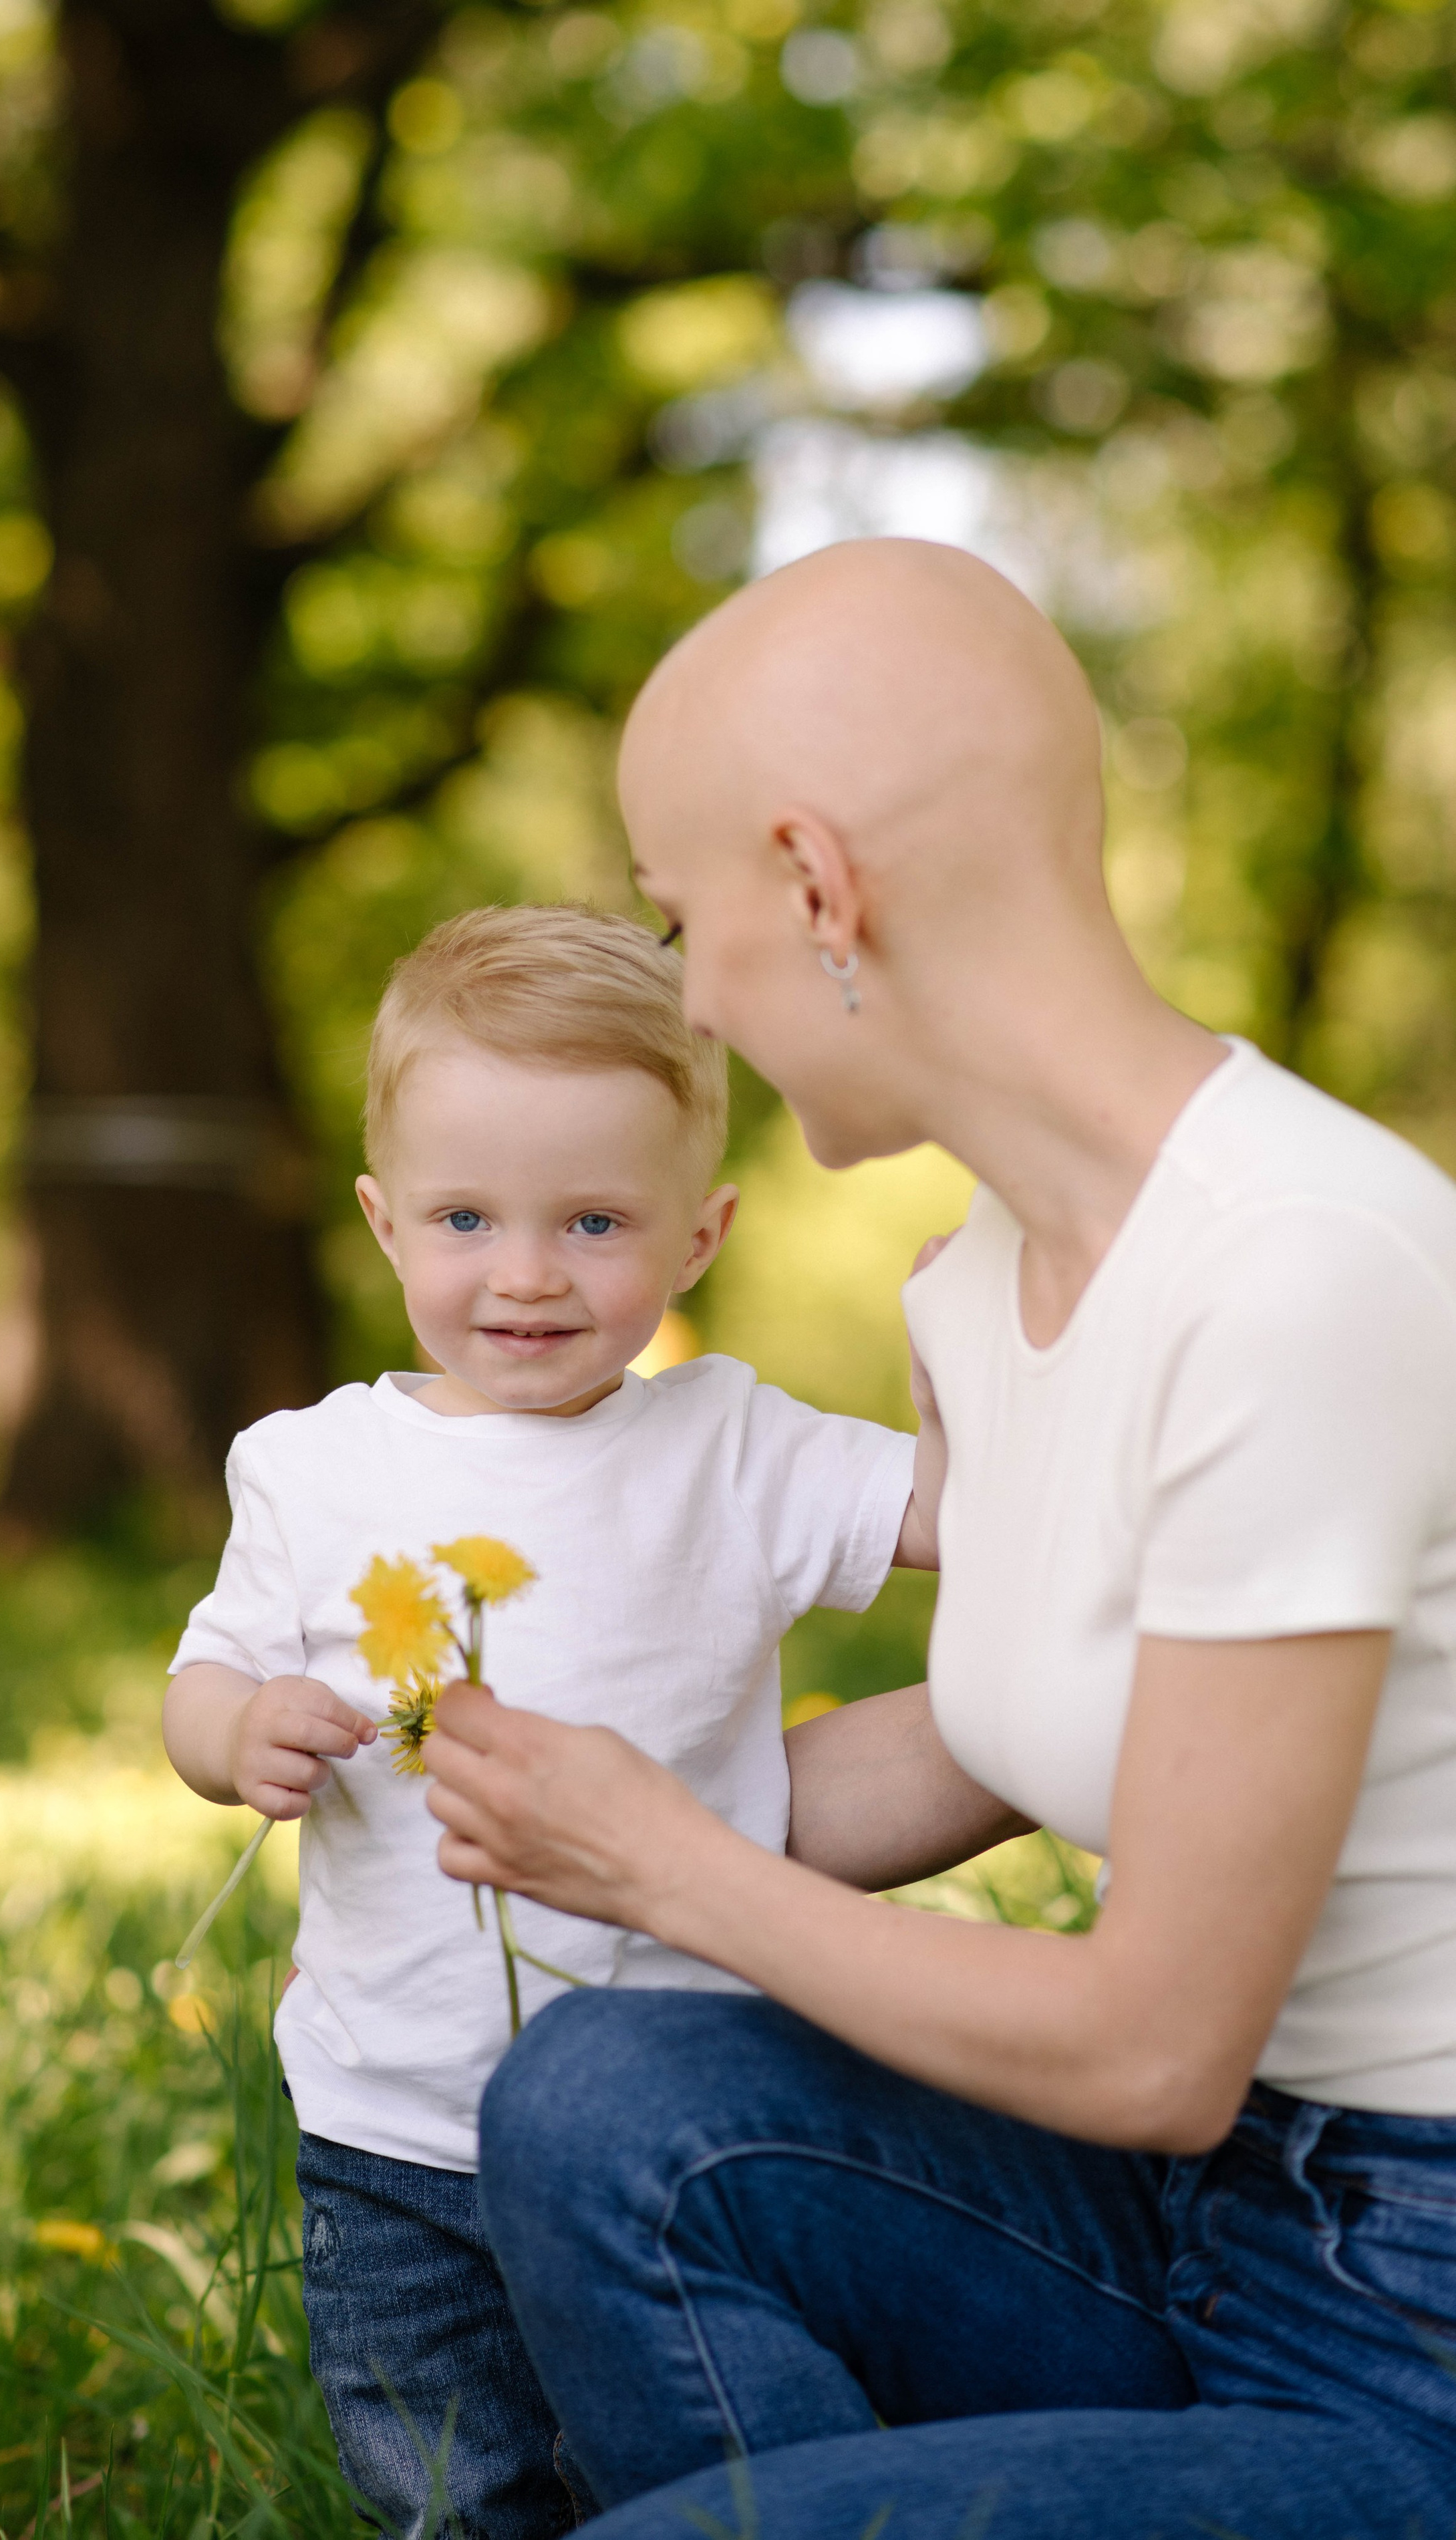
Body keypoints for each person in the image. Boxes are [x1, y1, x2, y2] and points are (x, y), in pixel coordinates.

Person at [420, 539, 1456, 2540]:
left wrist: (667, 1859)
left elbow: (1157, 2042)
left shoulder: (1302, 1272)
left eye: (677, 915)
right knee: (592, 2109)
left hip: (1410, 2321)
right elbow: (1010, 1735)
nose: (690, 988)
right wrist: (518, 1782)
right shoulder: (979, 1284)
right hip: (1194, 2228)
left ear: (818, 889)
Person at [161, 903, 937, 2540]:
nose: (523, 1273)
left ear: (699, 1236)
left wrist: (984, 1368)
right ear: (380, 1222)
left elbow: (967, 1512)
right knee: (449, 2486)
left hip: (675, 2117)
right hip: (390, 2128)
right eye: (464, 1215)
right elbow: (199, 1679)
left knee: (685, 2473)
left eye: (592, 1219)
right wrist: (241, 1735)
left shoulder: (736, 1445)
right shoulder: (308, 1464)